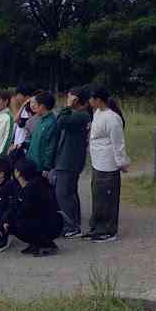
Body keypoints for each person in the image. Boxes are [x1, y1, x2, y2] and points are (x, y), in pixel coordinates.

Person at [85, 87, 129, 242]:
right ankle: (96, 226)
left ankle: (109, 230)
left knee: (107, 198)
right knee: (97, 196)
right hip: (97, 162)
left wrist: (121, 162)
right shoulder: (97, 114)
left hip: (108, 163)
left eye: (91, 98)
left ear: (98, 100)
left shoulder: (112, 118)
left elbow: (118, 143)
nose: (89, 102)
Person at [51, 86, 93, 239]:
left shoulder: (81, 116)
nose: (67, 100)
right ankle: (72, 223)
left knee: (63, 193)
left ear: (76, 99)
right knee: (69, 192)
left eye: (69, 97)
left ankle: (71, 226)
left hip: (69, 160)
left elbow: (60, 122)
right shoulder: (79, 115)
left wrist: (67, 106)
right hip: (68, 158)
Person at [4, 157, 63, 256]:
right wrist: (6, 219)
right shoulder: (23, 186)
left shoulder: (35, 188)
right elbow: (15, 206)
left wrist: (10, 220)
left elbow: (26, 210)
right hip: (40, 221)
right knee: (12, 222)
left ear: (18, 173)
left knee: (19, 223)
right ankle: (35, 244)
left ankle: (47, 245)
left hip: (51, 224)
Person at [26, 91, 58, 174]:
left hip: (41, 168)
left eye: (36, 104)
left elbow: (50, 147)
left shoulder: (51, 123)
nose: (34, 106)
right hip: (32, 164)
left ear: (42, 106)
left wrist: (46, 167)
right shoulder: (40, 120)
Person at [10, 84, 36, 152]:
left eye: (18, 95)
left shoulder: (31, 109)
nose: (16, 97)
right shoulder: (24, 107)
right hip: (18, 143)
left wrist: (22, 105)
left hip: (24, 146)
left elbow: (18, 121)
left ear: (27, 96)